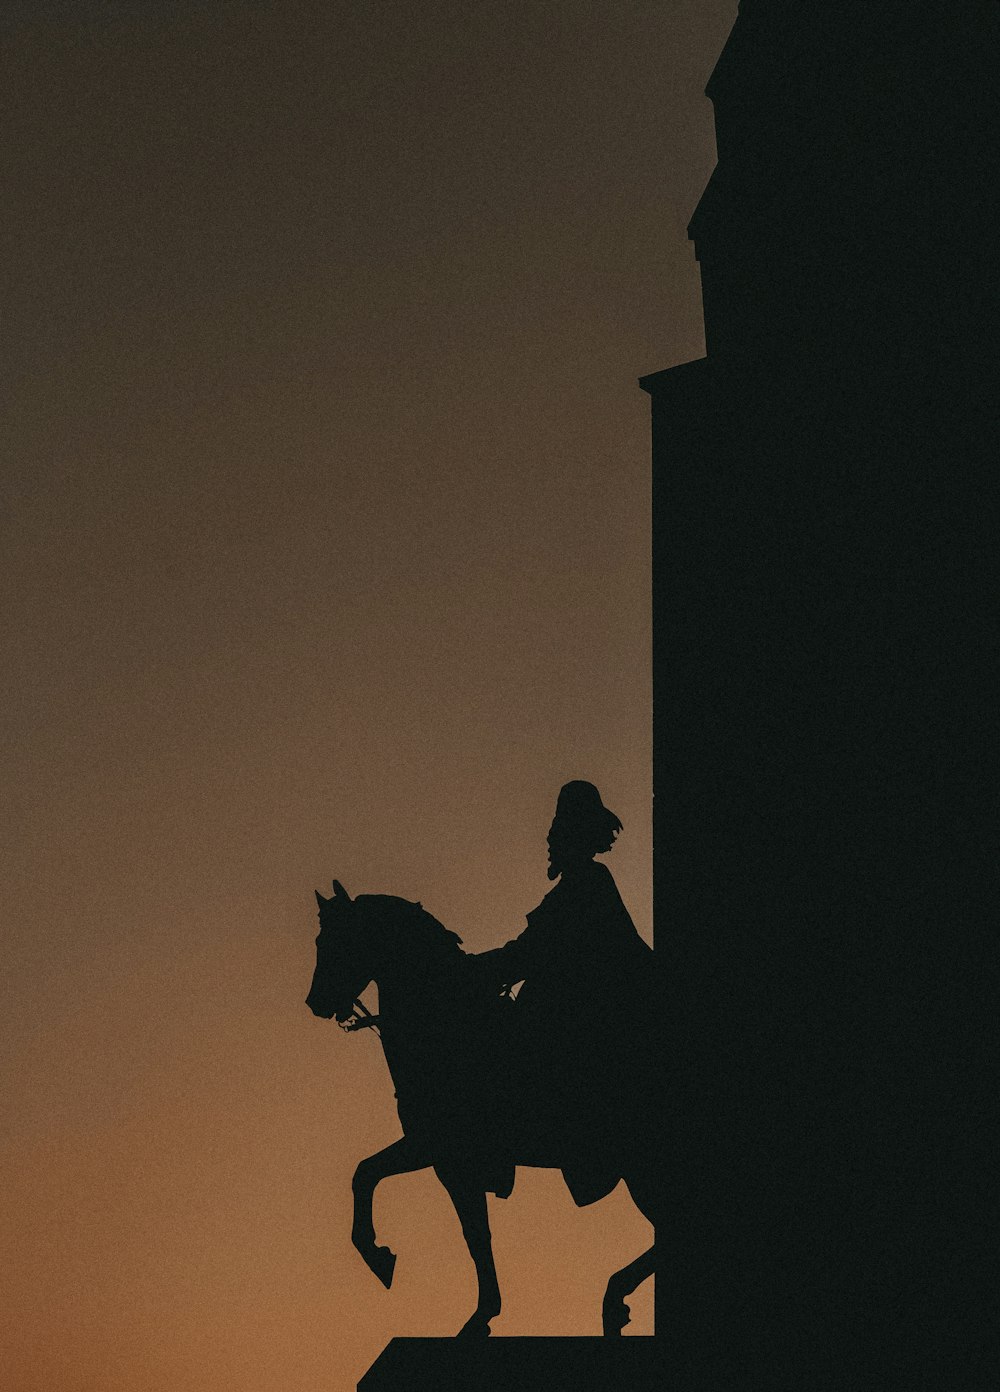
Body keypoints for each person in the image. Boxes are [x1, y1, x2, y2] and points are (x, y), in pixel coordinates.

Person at [472, 781, 653, 1204]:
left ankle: (499, 1150)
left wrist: (475, 971)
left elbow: (530, 952)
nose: (551, 842)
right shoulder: (580, 886)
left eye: (558, 833)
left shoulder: (586, 886)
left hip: (580, 1017)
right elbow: (527, 952)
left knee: (503, 1050)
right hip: (570, 1008)